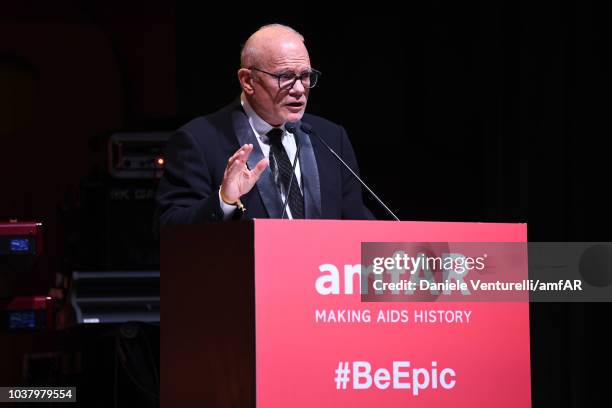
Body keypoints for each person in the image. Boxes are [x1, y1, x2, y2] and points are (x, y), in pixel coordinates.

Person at [156, 24, 373, 226]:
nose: (299, 89)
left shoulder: (331, 137)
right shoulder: (199, 141)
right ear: (248, 81)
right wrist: (224, 201)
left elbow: (357, 223)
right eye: (286, 77)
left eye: (305, 76)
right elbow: (168, 228)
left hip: (323, 268)